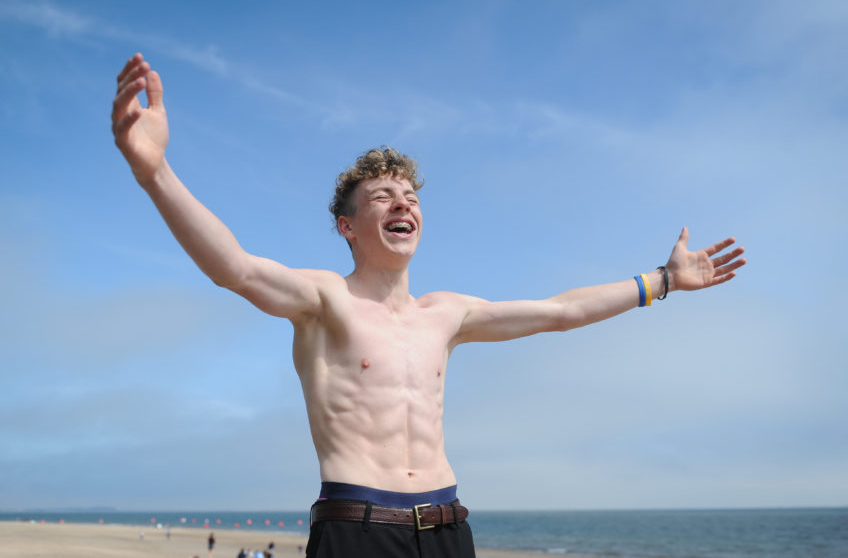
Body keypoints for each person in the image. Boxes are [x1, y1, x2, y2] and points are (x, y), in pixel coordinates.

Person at [112, 54, 746, 558]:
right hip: (356, 530)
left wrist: (662, 279)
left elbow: (561, 311)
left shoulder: (447, 314)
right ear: (347, 227)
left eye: (410, 195)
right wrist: (155, 174)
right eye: (383, 195)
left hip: (447, 528)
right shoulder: (322, 300)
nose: (402, 203)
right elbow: (236, 269)